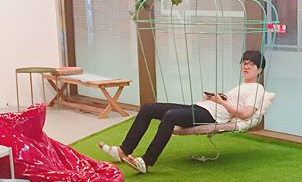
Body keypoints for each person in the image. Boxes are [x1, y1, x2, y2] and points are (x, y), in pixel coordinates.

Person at [98, 50, 266, 173]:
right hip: (200, 108)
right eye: (244, 63)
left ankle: (146, 161)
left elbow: (245, 114)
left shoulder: (257, 89)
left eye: (251, 64)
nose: (246, 66)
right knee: (148, 108)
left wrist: (220, 101)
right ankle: (123, 150)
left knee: (170, 116)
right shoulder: (241, 86)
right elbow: (230, 103)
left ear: (259, 70)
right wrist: (212, 98)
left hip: (210, 116)